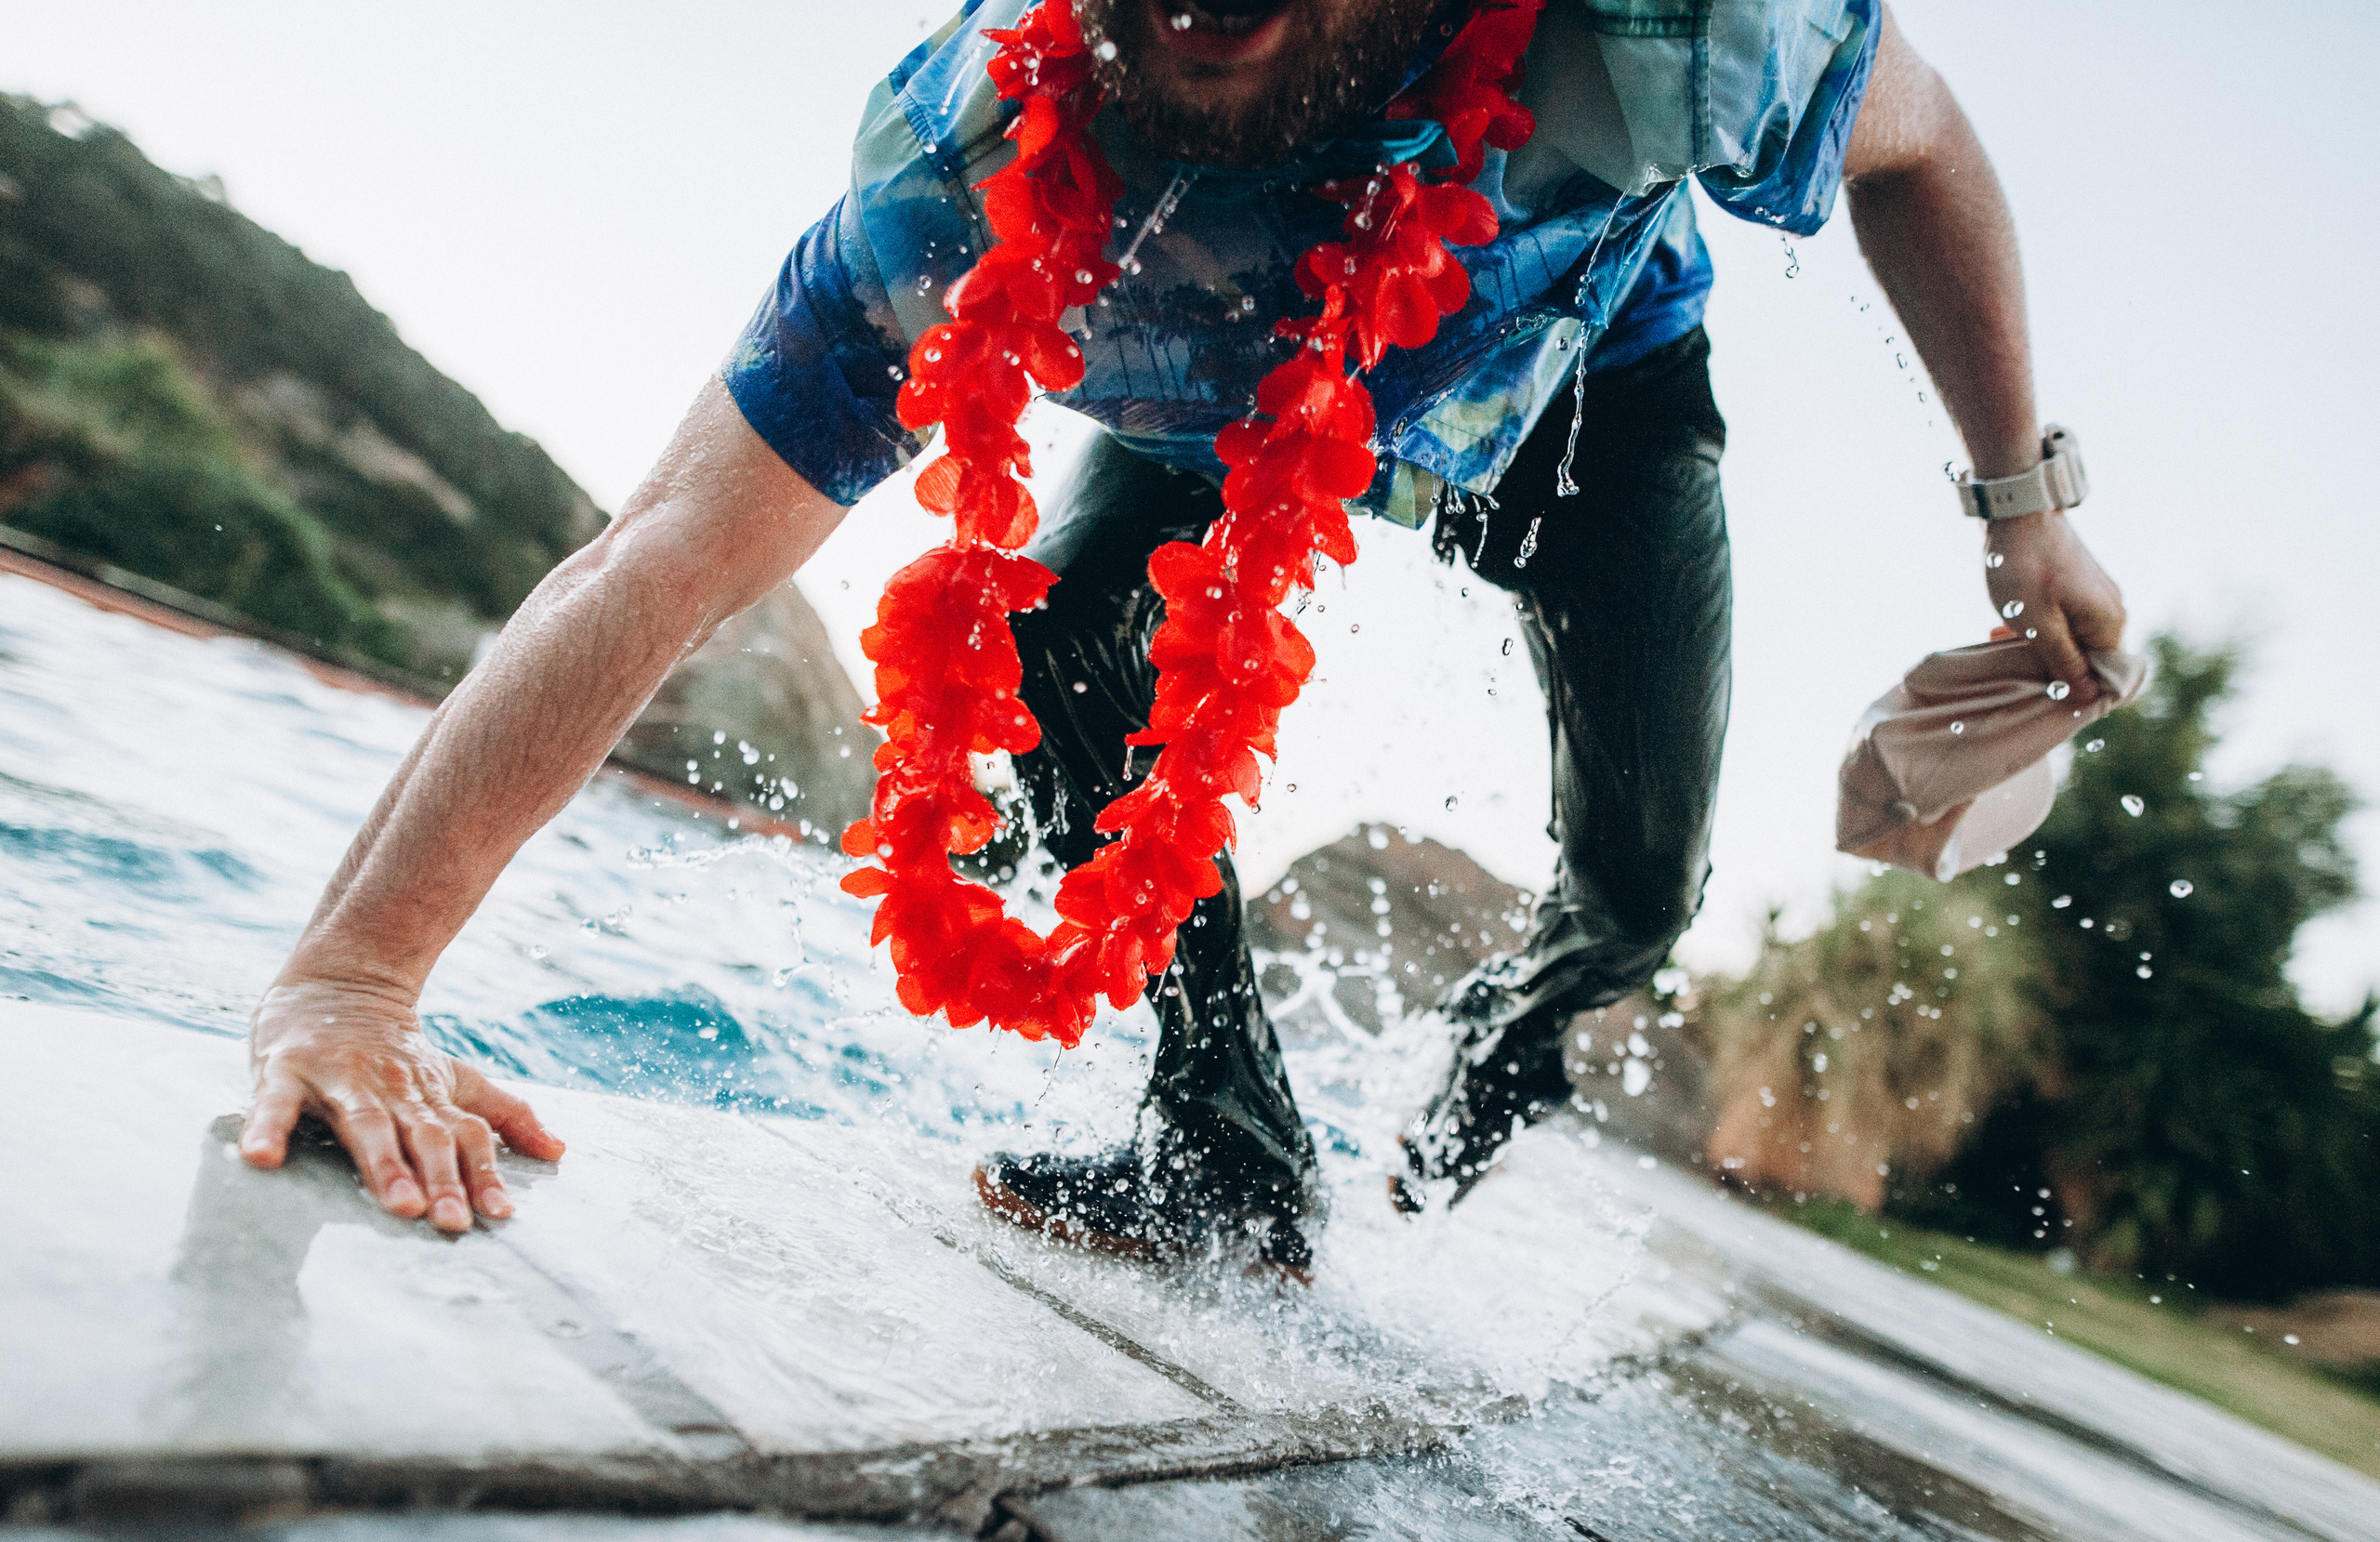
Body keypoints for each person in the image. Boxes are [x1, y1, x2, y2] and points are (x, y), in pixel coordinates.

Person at [238, 0, 2125, 1277]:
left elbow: (1925, 142)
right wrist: (354, 978)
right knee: (1056, 629)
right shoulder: (974, 151)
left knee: (1639, 883)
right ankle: (1221, 1141)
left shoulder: (1672, 33)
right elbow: (653, 557)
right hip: (1219, 410)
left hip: (1580, 392)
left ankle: (1505, 1041)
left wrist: (2022, 513)